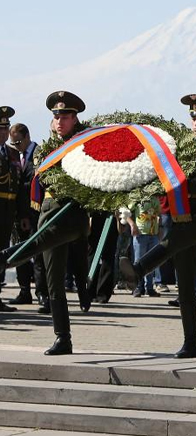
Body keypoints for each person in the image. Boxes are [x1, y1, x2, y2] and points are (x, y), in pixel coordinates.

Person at [119, 93, 196, 358]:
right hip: (180, 218)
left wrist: (182, 184)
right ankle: (191, 342)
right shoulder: (179, 149)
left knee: (174, 242)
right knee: (184, 285)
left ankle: (138, 269)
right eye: (193, 116)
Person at [0, 91, 92, 354]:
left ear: (75, 118)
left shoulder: (83, 146)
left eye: (65, 116)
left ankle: (6, 257)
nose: (60, 121)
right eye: (56, 116)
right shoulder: (49, 149)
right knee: (53, 284)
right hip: (48, 215)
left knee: (39, 243)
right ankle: (63, 337)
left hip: (70, 216)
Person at [6, 123, 43, 308]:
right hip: (19, 215)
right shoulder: (12, 155)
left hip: (35, 212)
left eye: (19, 142)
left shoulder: (39, 153)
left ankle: (41, 293)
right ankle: (24, 291)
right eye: (14, 143)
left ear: (27, 136)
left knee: (38, 254)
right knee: (20, 254)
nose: (17, 146)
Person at [0, 107, 26, 312]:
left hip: (9, 209)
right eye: (0, 128)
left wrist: (21, 214)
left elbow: (17, 186)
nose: (3, 132)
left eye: (5, 128)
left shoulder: (12, 153)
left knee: (3, 252)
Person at [127, 198, 161, 298]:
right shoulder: (136, 197)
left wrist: (160, 229)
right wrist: (132, 224)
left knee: (151, 262)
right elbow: (126, 211)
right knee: (138, 261)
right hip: (140, 234)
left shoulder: (155, 198)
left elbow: (158, 214)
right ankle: (137, 287)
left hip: (153, 234)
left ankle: (149, 288)